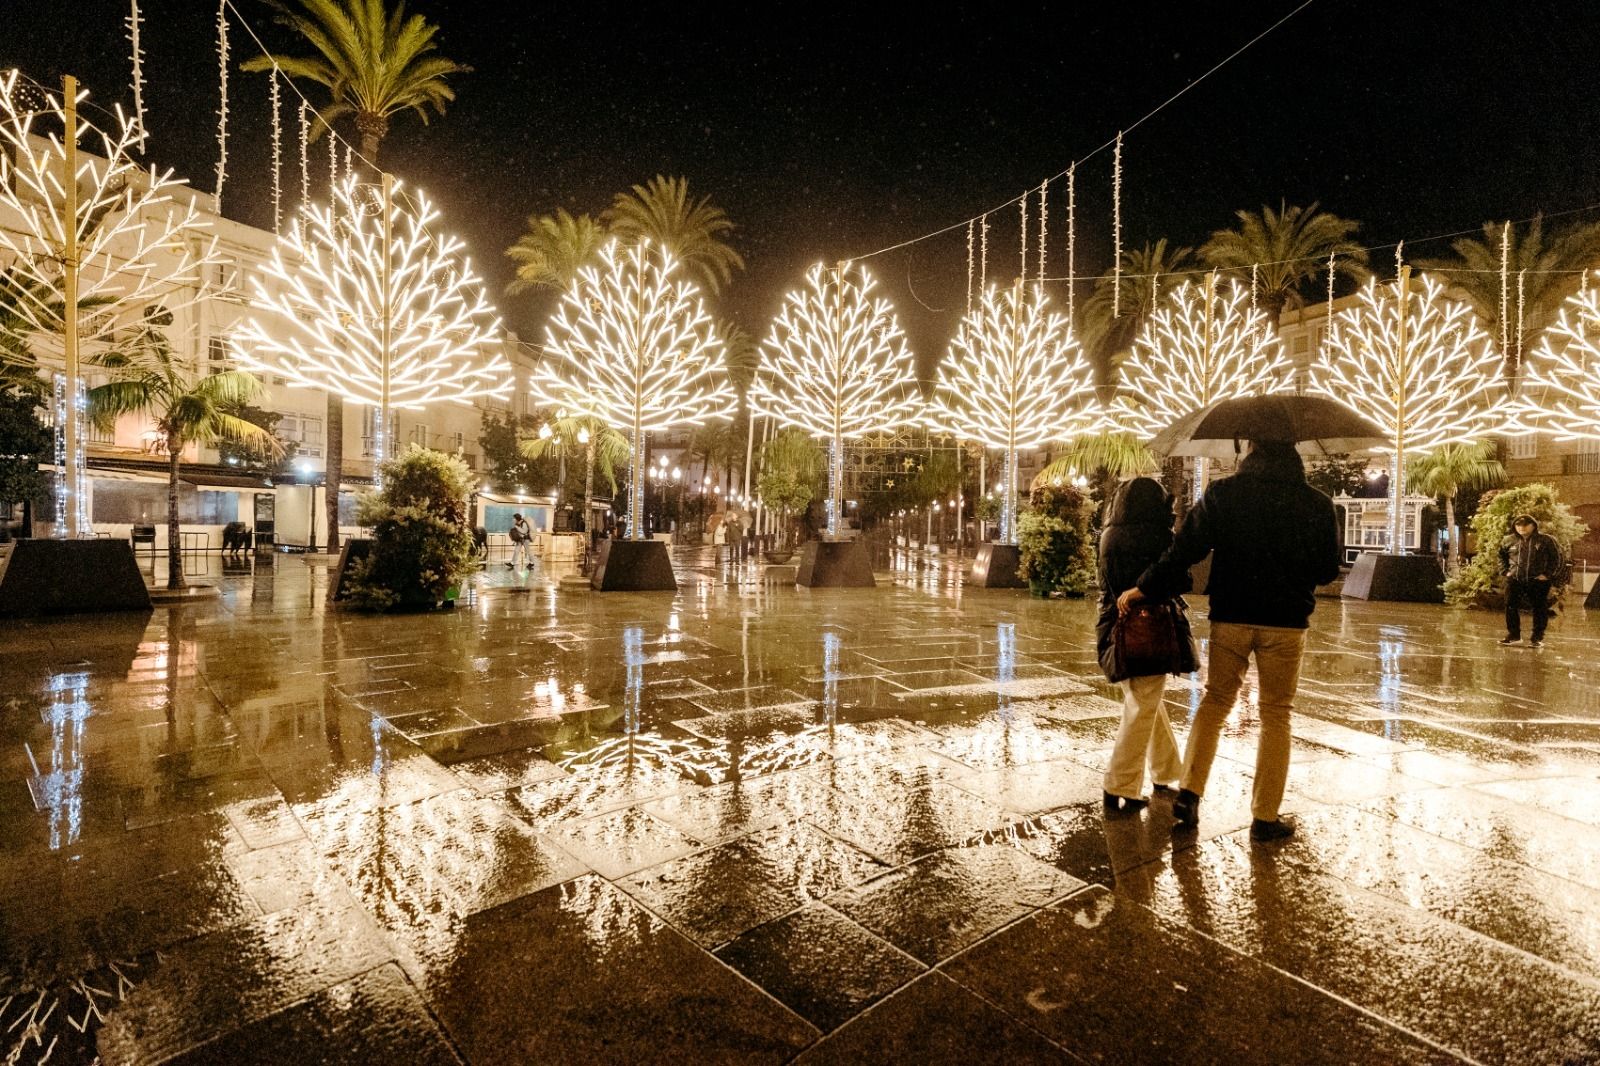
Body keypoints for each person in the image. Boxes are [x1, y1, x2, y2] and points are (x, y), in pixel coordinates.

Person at [1118, 439, 1341, 843]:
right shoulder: (1317, 503)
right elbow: (1328, 569)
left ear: (1250, 448)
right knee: (1276, 714)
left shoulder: (1223, 494)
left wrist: (1143, 587)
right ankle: (1264, 816)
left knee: (1216, 701)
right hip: (1286, 622)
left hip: (1232, 617)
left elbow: (1183, 550)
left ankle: (1189, 793)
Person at [1097, 477, 1187, 814]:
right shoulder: (1157, 535)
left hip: (1113, 625)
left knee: (1146, 698)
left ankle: (1166, 769)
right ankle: (1118, 785)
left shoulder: (1109, 534)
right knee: (1142, 703)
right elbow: (1179, 579)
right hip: (1148, 626)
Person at [1498, 513, 1562, 648]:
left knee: (1539, 608)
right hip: (1515, 579)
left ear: (1533, 526)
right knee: (1510, 606)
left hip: (1538, 580)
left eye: (1525, 525)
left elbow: (1556, 559)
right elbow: (1501, 557)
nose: (1522, 528)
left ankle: (1537, 638)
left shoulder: (1546, 540)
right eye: (1518, 525)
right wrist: (1506, 572)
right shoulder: (1508, 540)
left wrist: (1547, 574)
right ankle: (1514, 636)